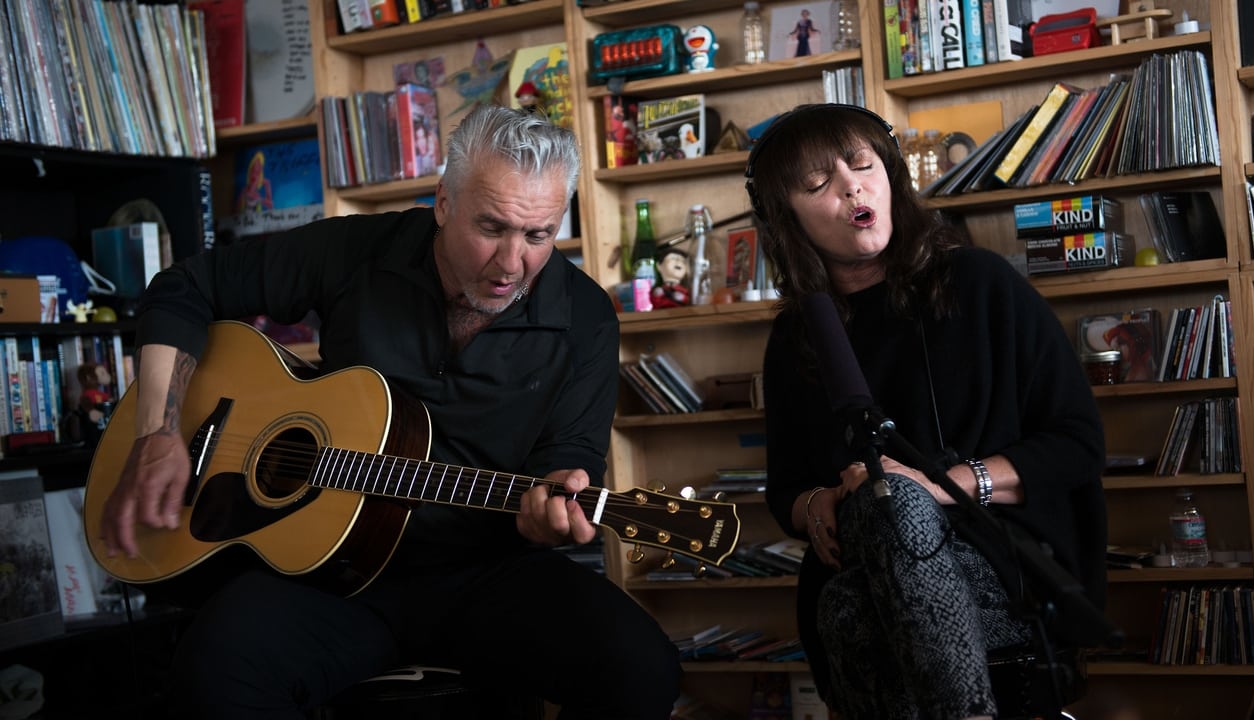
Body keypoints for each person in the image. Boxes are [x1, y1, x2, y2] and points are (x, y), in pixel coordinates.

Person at [96, 104, 681, 720]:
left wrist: (551, 511)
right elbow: (185, 288)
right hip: (327, 576)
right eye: (492, 227)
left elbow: (570, 461)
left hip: (488, 578)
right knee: (212, 669)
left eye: (537, 236)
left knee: (642, 671)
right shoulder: (360, 251)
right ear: (444, 202)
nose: (512, 263)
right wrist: (159, 432)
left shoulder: (585, 318)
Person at [744, 104, 1107, 719]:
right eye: (817, 183)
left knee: (884, 533)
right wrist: (816, 506)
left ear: (889, 174)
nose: (853, 185)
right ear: (785, 216)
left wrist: (940, 487)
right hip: (858, 560)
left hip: (998, 557)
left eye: (863, 165)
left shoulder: (983, 284)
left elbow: (1077, 444)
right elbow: (787, 491)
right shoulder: (797, 338)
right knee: (870, 540)